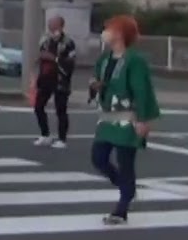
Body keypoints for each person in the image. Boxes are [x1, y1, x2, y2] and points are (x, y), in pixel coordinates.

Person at [90, 14, 160, 225]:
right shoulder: (104, 58)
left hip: (128, 117)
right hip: (107, 116)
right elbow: (98, 79)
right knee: (98, 157)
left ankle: (122, 208)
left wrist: (143, 119)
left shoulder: (134, 61)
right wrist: (96, 85)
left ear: (119, 33)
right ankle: (126, 187)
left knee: (125, 161)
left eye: (108, 28)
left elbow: (142, 90)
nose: (105, 32)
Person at [33, 14, 77, 148]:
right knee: (38, 106)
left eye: (53, 24)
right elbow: (41, 55)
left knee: (61, 109)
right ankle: (45, 134)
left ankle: (62, 139)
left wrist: (55, 58)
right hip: (46, 77)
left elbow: (71, 62)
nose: (50, 26)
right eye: (49, 24)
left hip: (60, 79)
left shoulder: (68, 42)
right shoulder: (45, 40)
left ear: (60, 25)